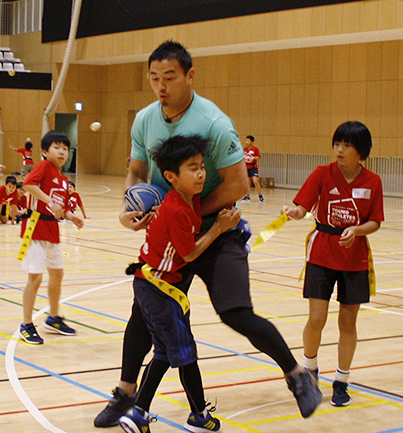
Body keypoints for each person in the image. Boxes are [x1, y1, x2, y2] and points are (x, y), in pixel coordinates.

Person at [94, 40, 321, 427]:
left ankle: (297, 375)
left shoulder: (214, 122)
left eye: (169, 77)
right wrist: (129, 208)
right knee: (142, 313)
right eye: (154, 78)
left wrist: (186, 213)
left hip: (220, 229)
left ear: (190, 76)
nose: (161, 86)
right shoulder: (145, 119)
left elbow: (237, 185)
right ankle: (126, 392)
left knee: (235, 312)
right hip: (171, 235)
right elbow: (134, 171)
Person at [118, 135, 238, 433]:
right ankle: (138, 414)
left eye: (201, 167)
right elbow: (189, 253)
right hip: (158, 288)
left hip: (156, 284)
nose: (200, 174)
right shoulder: (178, 211)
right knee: (178, 352)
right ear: (171, 177)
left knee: (174, 350)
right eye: (192, 168)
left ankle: (194, 414)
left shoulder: (189, 198)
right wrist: (220, 229)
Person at [282, 121, 384, 407]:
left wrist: (358, 231)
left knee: (348, 322)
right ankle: (310, 370)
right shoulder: (321, 174)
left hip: (355, 257)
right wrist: (295, 212)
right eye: (337, 143)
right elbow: (303, 206)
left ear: (360, 151)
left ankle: (342, 380)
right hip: (321, 253)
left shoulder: (372, 181)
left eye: (347, 145)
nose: (339, 149)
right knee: (317, 318)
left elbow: (375, 221)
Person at [17, 131, 84, 344]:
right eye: (57, 147)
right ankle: (26, 324)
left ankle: (53, 318)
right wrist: (48, 201)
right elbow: (28, 185)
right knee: (35, 278)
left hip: (52, 230)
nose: (62, 151)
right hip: (35, 227)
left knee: (57, 274)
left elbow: (61, 208)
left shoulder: (64, 180)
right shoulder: (43, 166)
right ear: (45, 151)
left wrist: (73, 217)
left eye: (65, 148)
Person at [242, 135, 263, 202]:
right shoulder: (244, 149)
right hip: (246, 167)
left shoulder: (255, 149)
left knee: (255, 181)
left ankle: (260, 195)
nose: (246, 142)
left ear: (252, 142)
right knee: (248, 182)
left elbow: (259, 158)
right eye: (246, 140)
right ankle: (247, 196)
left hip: (253, 167)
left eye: (248, 140)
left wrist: (254, 158)